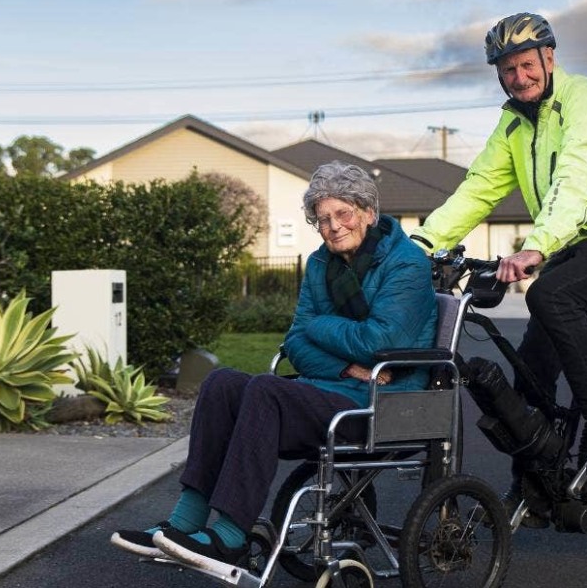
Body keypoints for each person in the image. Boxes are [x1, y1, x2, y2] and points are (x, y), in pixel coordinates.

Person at [111, 160, 438, 570]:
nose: (334, 226)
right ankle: (181, 526)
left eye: (343, 213)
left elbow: (380, 342)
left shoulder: (406, 264)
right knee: (223, 382)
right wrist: (341, 366)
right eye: (323, 219)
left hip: (385, 400)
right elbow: (295, 342)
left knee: (266, 390)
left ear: (368, 213)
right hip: (335, 388)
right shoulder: (322, 264)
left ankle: (229, 538)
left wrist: (321, 327)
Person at [409, 13, 587, 507]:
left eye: (526, 65)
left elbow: (578, 175)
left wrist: (538, 245)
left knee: (551, 294)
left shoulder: (583, 99)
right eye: (507, 70)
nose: (518, 77)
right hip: (572, 245)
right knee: (530, 371)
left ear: (549, 58)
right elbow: (479, 190)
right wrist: (417, 248)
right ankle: (533, 490)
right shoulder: (512, 124)